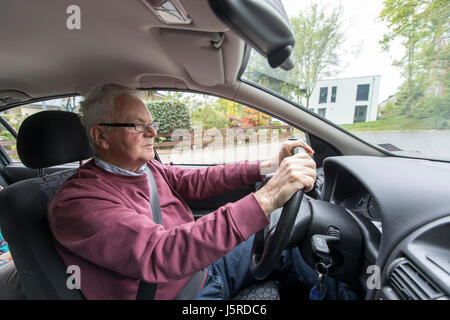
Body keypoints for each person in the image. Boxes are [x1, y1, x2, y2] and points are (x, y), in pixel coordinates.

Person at [47, 84, 356, 300]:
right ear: (101, 135)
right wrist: (267, 198)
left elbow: (197, 181)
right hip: (179, 294)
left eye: (150, 123)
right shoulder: (78, 203)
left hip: (204, 268)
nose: (153, 132)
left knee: (288, 243)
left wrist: (268, 165)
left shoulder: (146, 169)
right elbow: (160, 253)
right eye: (138, 125)